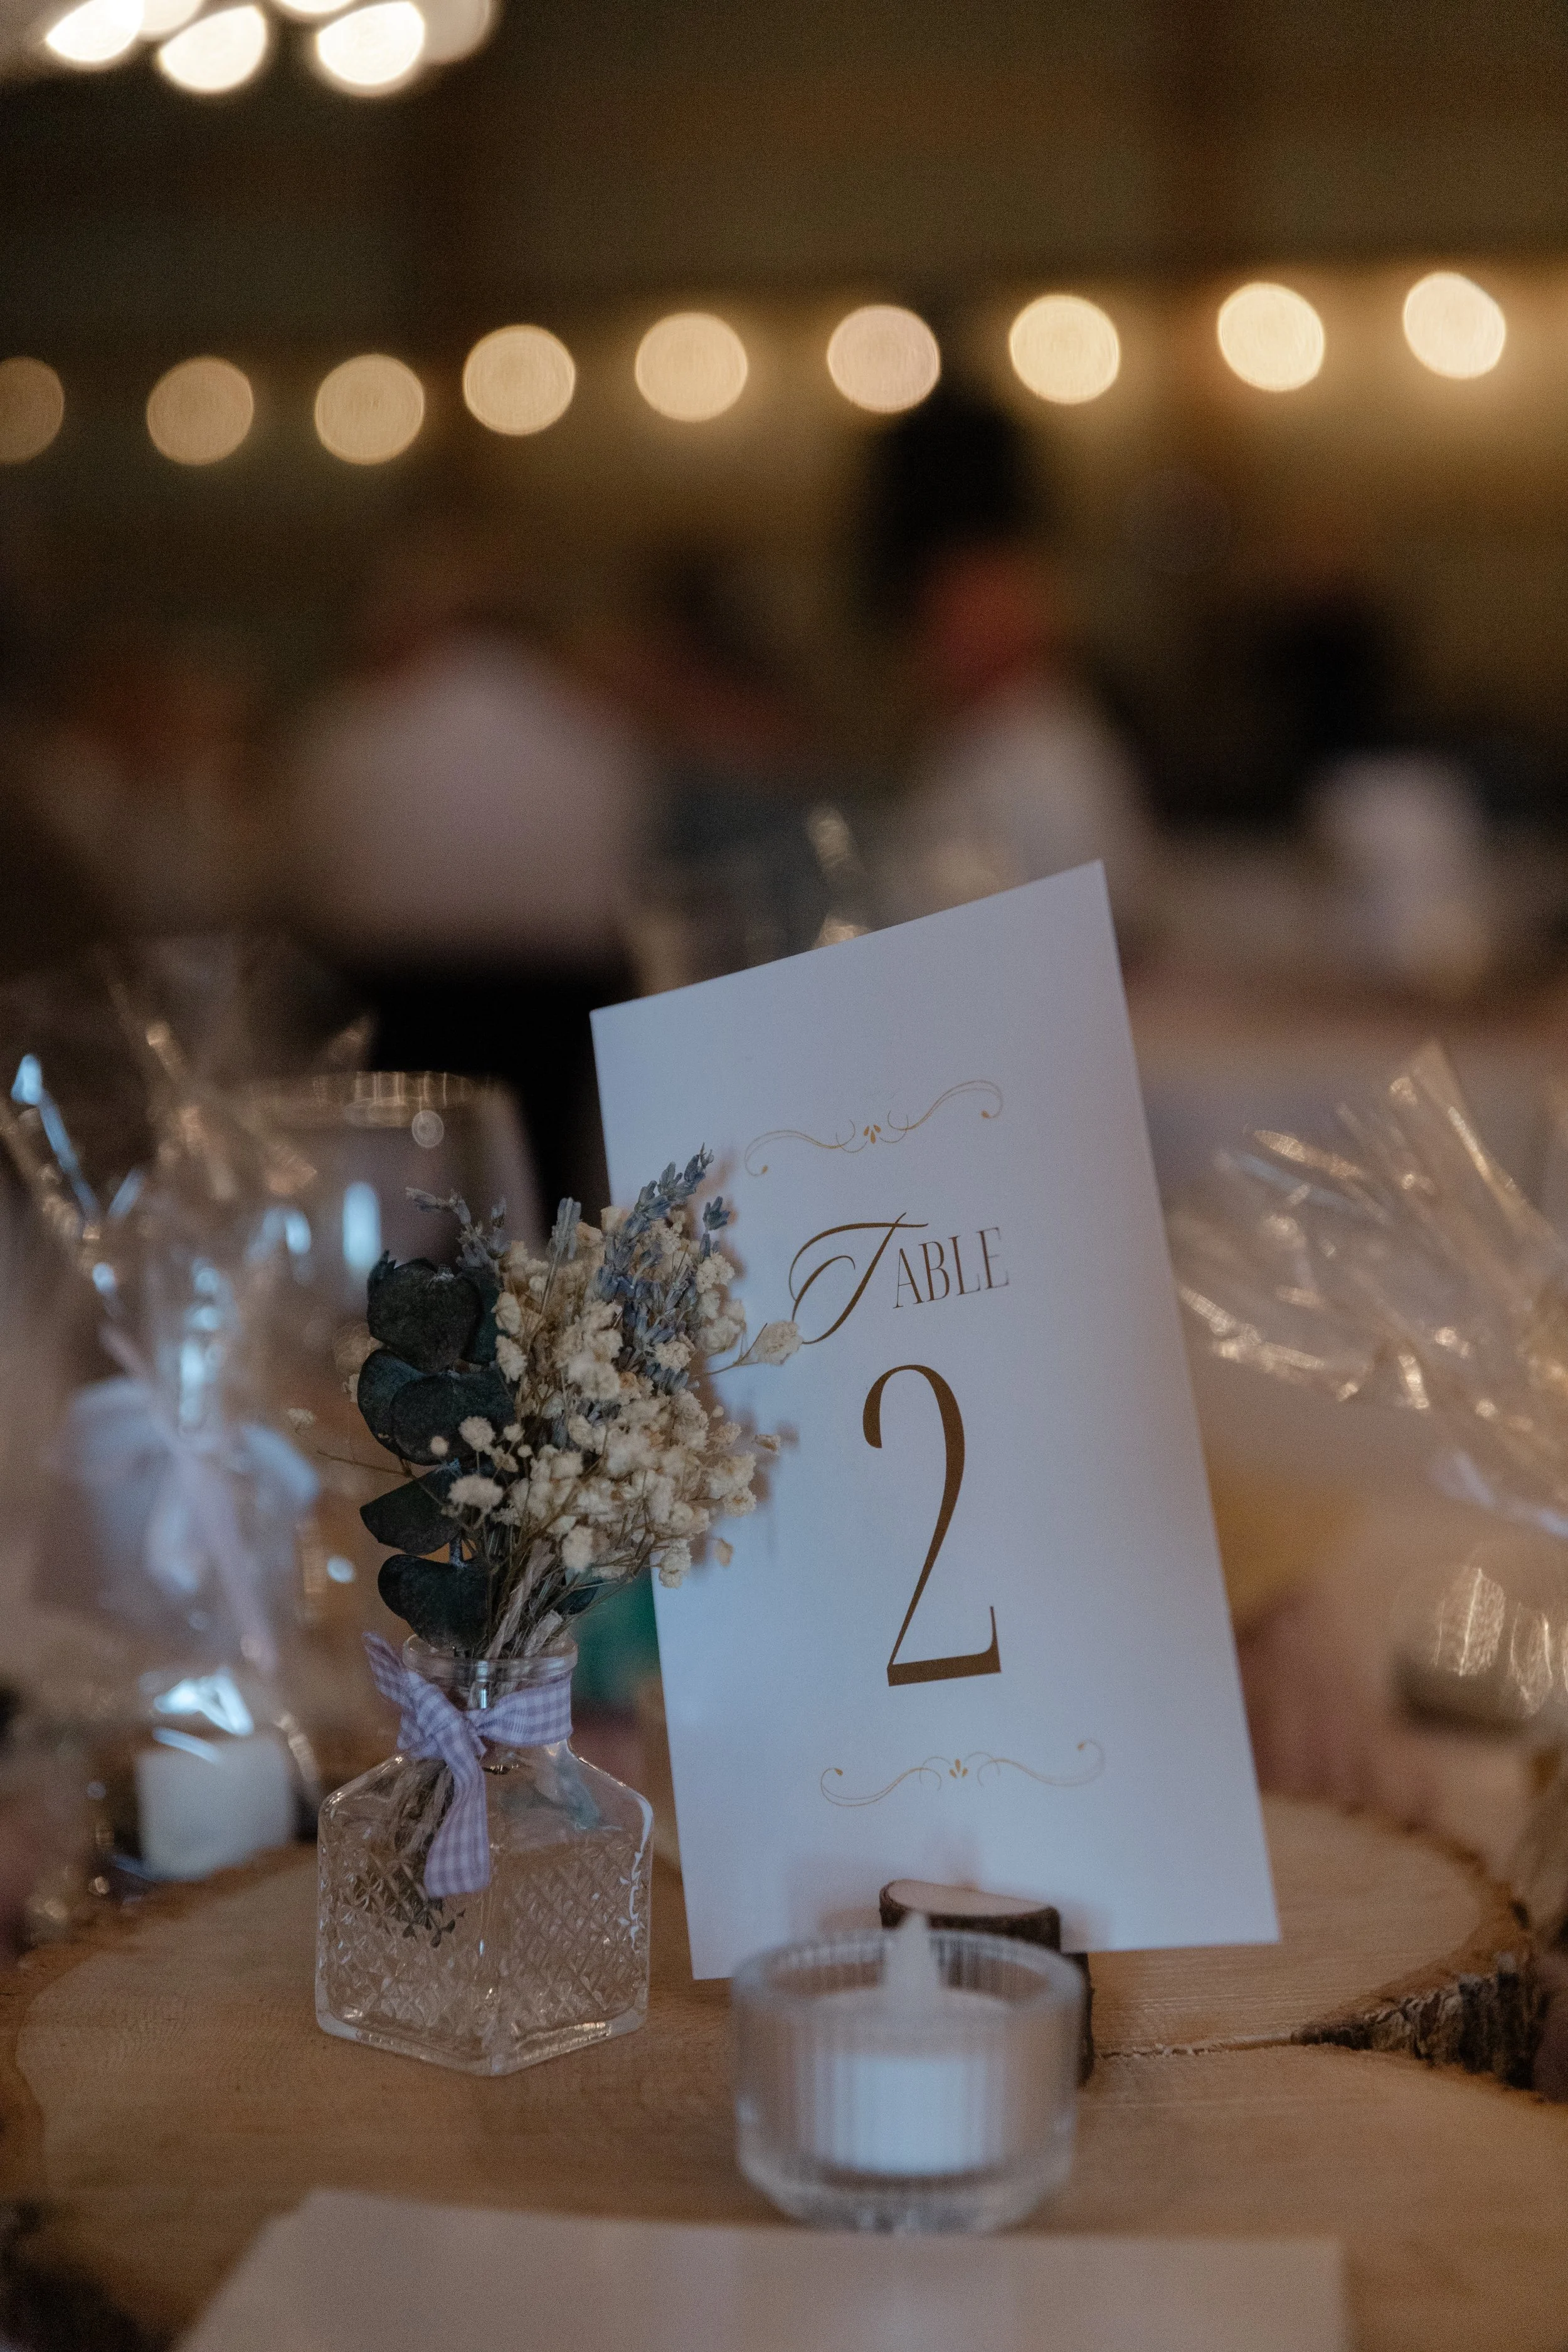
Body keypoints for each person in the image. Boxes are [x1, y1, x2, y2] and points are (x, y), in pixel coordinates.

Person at [861, 384, 1153, 941]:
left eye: (976, 603)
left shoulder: (1049, 756)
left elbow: (1099, 931)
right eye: (937, 610)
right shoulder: (967, 739)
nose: (942, 637)